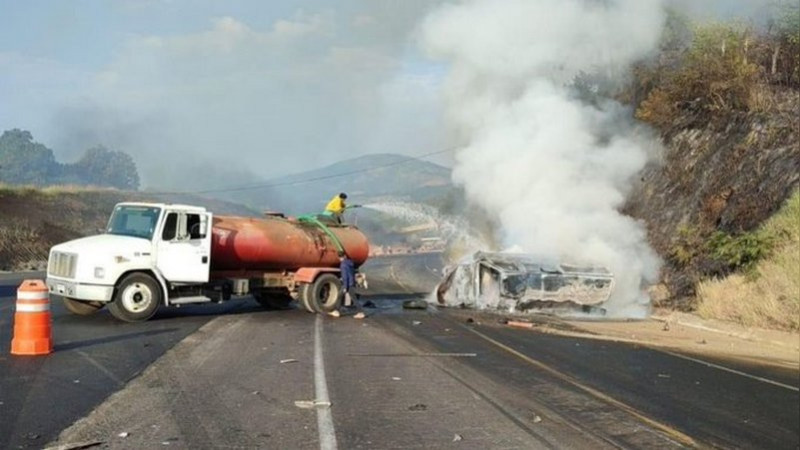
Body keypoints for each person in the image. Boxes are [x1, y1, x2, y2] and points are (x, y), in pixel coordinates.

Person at [330, 251, 365, 319]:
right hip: (351, 283)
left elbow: (345, 277)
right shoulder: (349, 263)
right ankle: (337, 311)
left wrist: (345, 287)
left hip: (348, 284)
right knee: (341, 295)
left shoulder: (343, 265)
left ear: (339, 257)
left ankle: (361, 312)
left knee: (351, 298)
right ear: (345, 256)